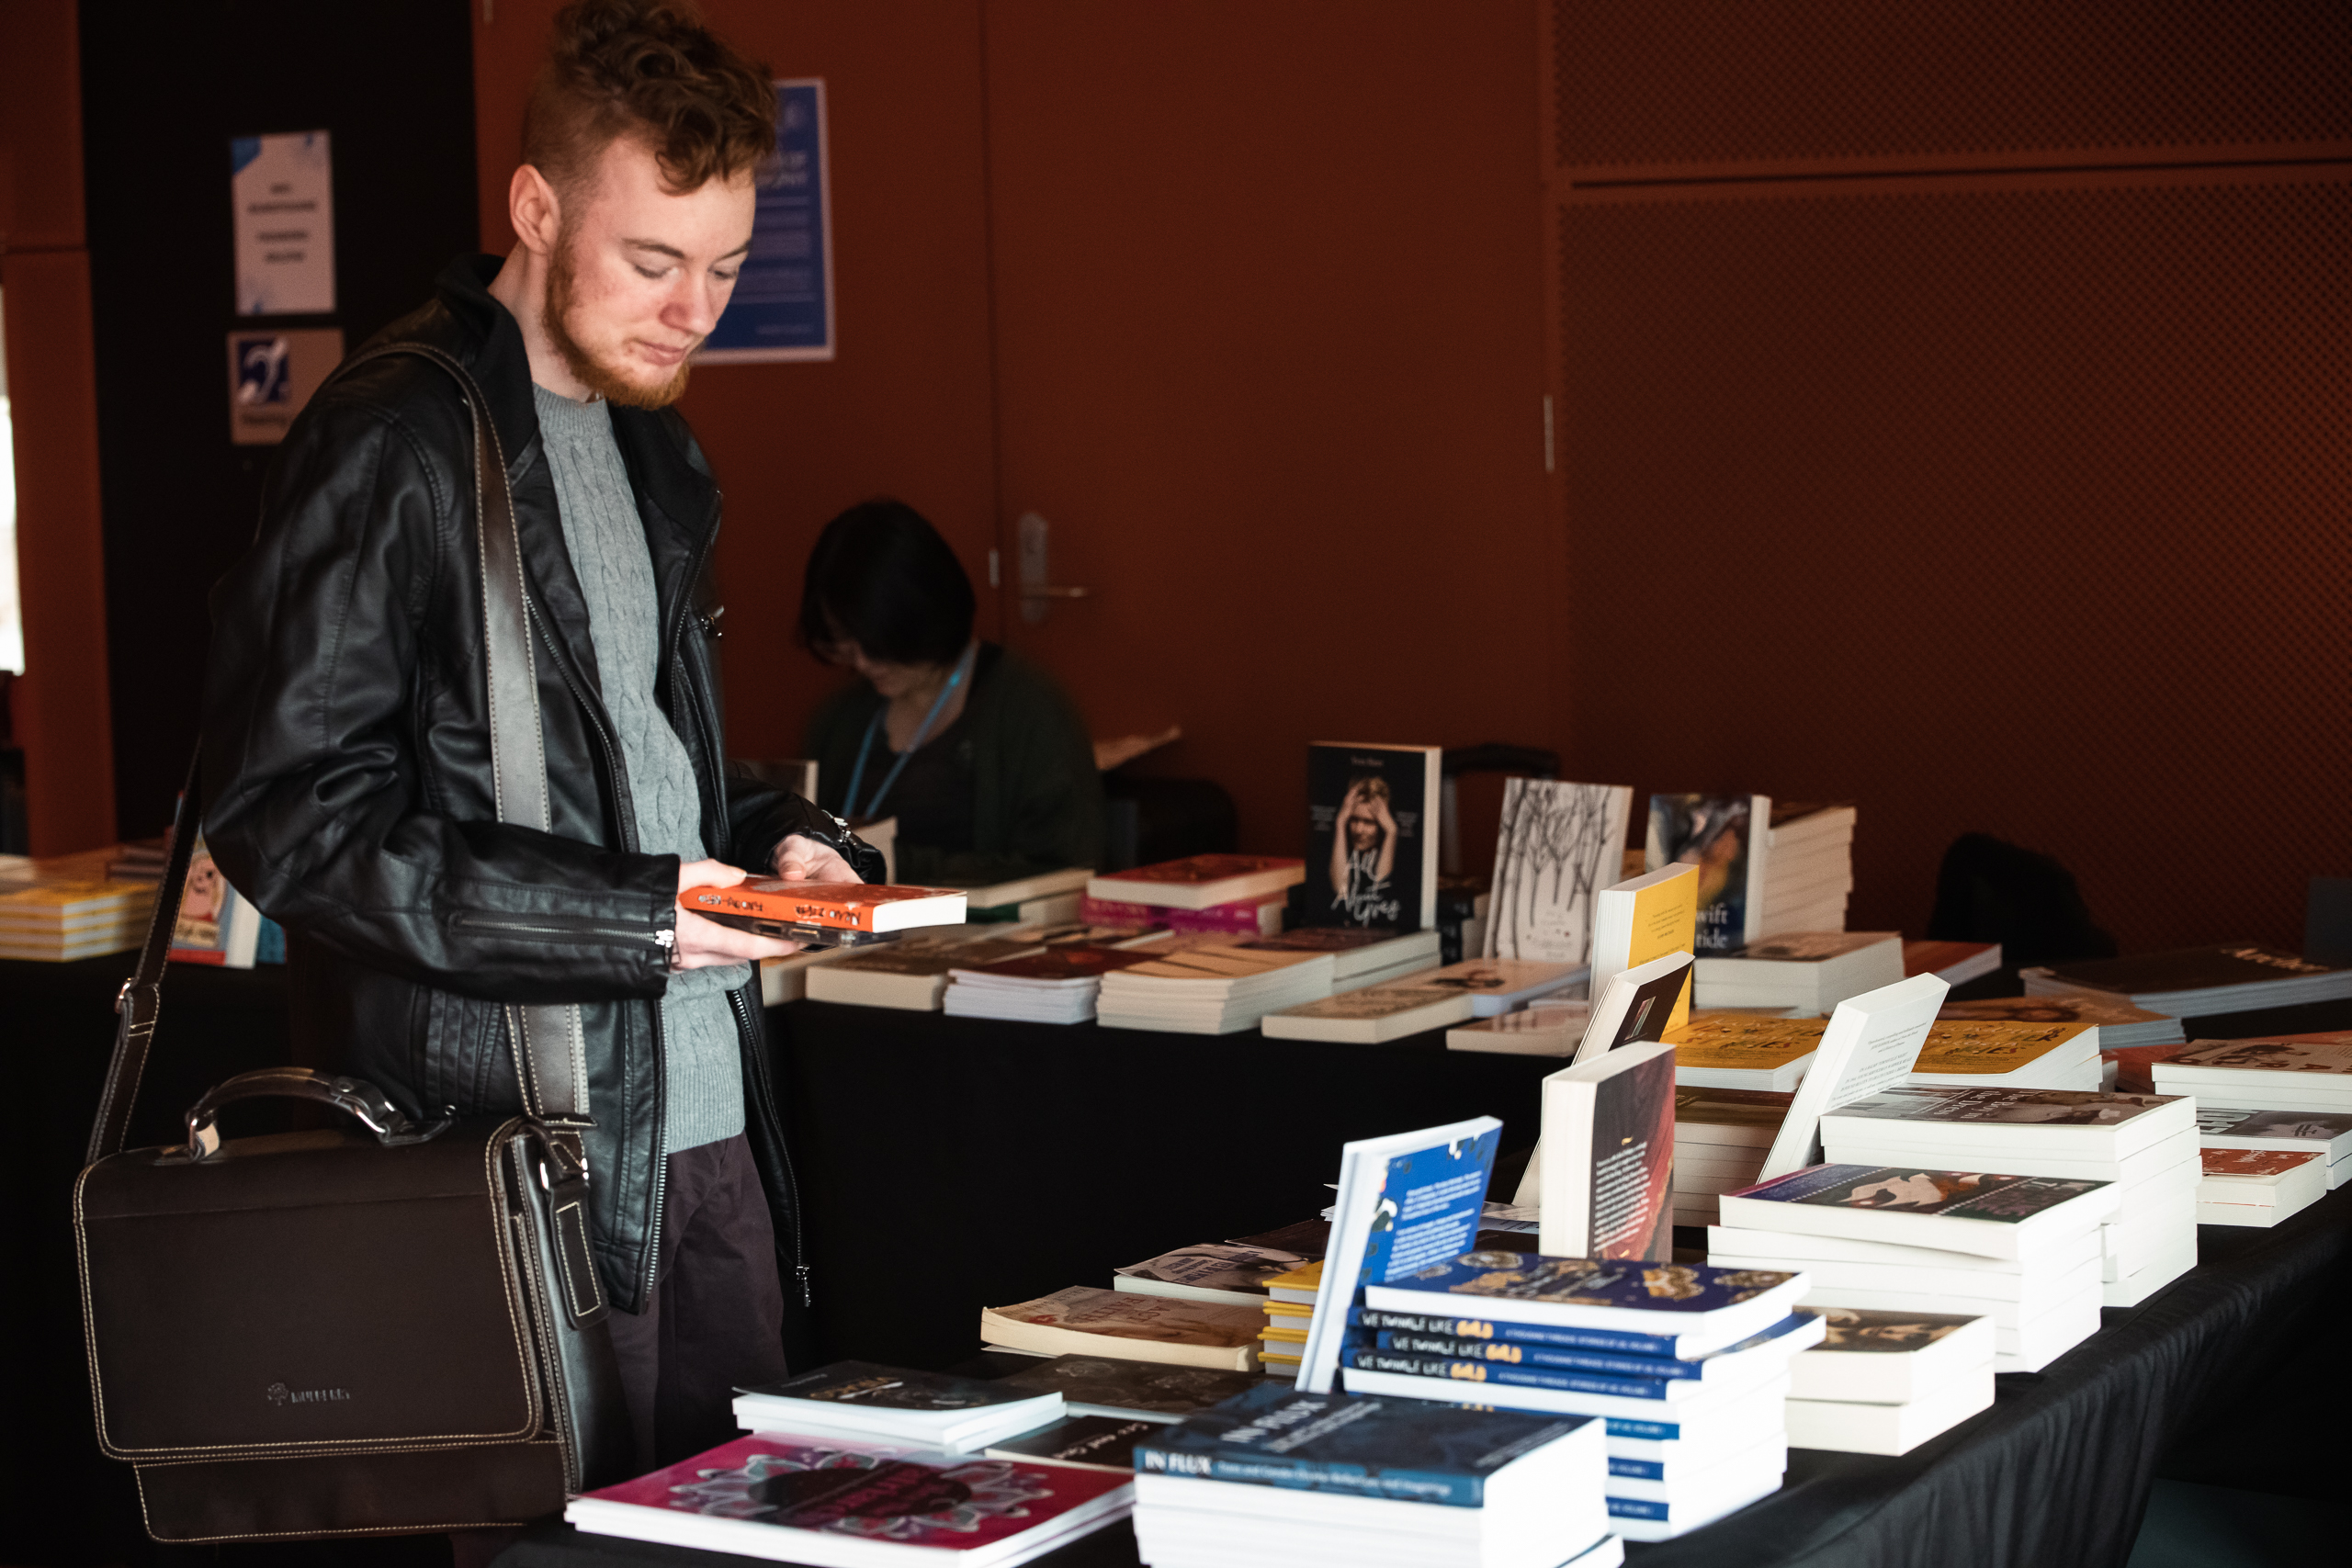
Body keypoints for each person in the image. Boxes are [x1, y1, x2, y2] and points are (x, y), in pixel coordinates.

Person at [199, 0, 878, 1492]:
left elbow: (637, 755)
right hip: (522, 1156)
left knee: (749, 1527)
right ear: (535, 207)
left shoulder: (654, 441)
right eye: (652, 260)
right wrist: (634, 917)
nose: (692, 309)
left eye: (724, 267)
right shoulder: (395, 437)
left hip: (708, 1128)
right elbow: (292, 818)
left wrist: (779, 838)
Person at [800, 500, 1102, 887]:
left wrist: (887, 861)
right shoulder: (841, 718)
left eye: (879, 643)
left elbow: (1066, 868)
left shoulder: (1029, 710)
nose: (861, 662)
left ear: (925, 615)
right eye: (844, 641)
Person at [1329, 774, 1397, 923]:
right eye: (1354, 819)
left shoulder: (1397, 857)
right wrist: (1340, 822)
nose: (1358, 830)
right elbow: (1340, 891)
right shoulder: (1340, 851)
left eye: (1368, 822)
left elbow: (1380, 890)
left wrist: (1391, 832)